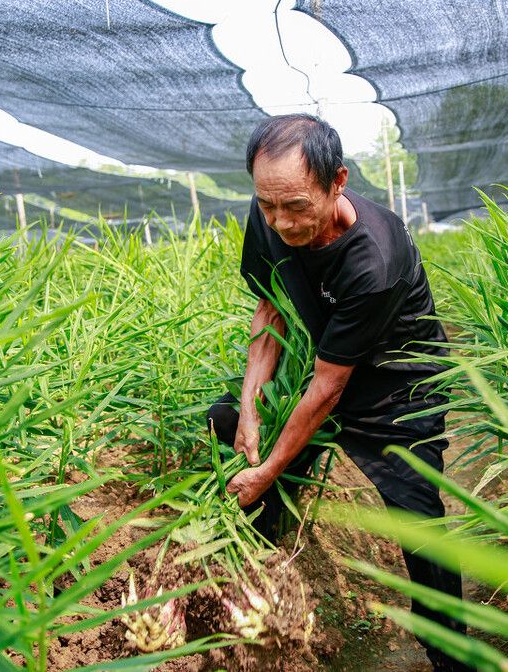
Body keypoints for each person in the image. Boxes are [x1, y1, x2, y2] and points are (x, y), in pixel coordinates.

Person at [207, 113, 472, 672]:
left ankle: (453, 659)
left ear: (338, 182)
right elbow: (270, 307)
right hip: (326, 364)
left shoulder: (374, 259)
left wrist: (269, 466)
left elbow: (328, 390)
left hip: (398, 388)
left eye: (297, 205)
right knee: (227, 419)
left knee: (417, 521)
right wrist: (252, 411)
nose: (280, 221)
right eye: (267, 205)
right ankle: (268, 579)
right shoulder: (271, 213)